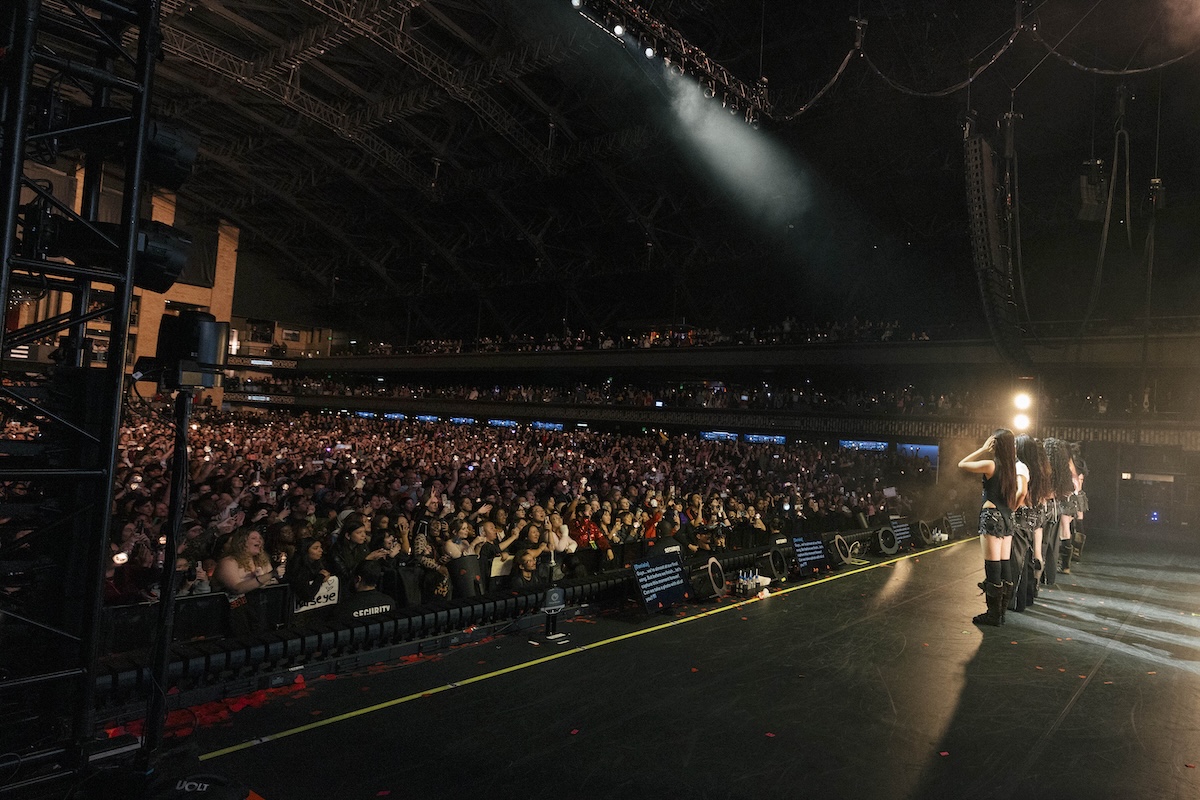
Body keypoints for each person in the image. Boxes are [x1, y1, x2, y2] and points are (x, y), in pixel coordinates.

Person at [958, 429, 1027, 626]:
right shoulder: (1013, 469)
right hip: (1007, 517)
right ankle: (1001, 612)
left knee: (992, 565)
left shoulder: (991, 465)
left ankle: (993, 614)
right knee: (1004, 564)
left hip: (992, 516)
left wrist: (981, 449)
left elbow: (962, 464)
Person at [212, 527, 284, 634]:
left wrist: (267, 579)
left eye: (260, 538)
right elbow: (237, 588)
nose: (259, 541)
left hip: (258, 613)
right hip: (232, 614)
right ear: (241, 542)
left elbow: (273, 582)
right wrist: (269, 576)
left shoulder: (262, 561)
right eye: (253, 538)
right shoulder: (229, 562)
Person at [1012, 435, 1051, 613]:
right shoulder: (1040, 469)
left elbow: (1021, 492)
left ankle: (1016, 601)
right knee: (1028, 558)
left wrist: (1013, 507)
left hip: (1021, 514)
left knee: (1017, 560)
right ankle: (1027, 597)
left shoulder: (1022, 467)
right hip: (1034, 515)